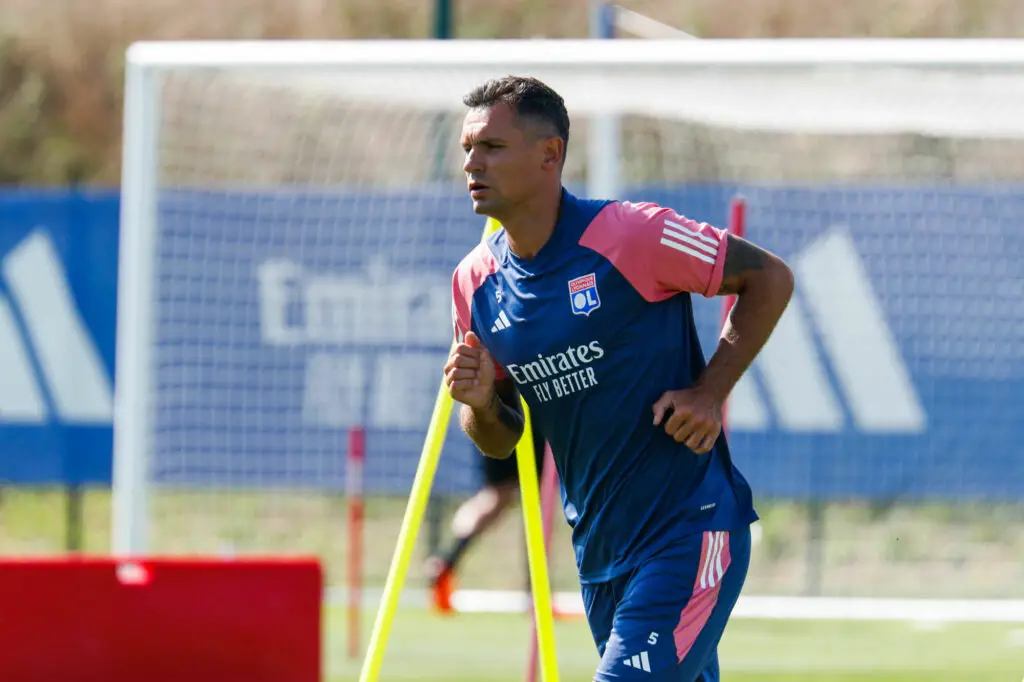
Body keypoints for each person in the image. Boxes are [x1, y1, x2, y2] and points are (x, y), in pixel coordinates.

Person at [444, 75, 794, 682]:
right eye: (467, 148)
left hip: (688, 529)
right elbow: (501, 439)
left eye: (492, 147)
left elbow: (769, 277)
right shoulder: (474, 282)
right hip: (601, 556)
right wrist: (478, 404)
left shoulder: (632, 233)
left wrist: (709, 392)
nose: (473, 163)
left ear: (550, 153)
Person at [424, 417, 546, 614]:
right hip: (534, 415)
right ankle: (537, 593)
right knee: (536, 502)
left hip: (495, 413)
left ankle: (446, 560)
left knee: (495, 496)